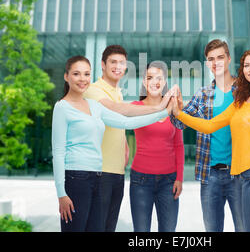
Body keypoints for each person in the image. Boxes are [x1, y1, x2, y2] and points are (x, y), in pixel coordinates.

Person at [51, 55, 172, 232]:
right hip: (75, 179)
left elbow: (126, 122)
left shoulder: (95, 106)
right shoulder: (62, 107)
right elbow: (58, 152)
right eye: (76, 74)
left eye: (86, 74)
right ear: (66, 76)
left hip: (98, 178)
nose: (82, 79)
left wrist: (163, 112)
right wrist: (61, 193)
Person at [172, 47, 250, 232]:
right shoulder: (240, 101)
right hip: (238, 177)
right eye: (247, 65)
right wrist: (178, 113)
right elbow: (210, 126)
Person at [83, 45, 173, 232]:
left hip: (117, 173)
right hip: (99, 172)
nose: (118, 66)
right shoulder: (93, 90)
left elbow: (117, 121)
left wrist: (124, 144)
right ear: (103, 65)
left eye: (122, 63)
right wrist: (160, 108)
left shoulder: (118, 93)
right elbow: (118, 110)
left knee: (109, 227)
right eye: (113, 62)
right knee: (96, 226)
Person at [170, 39, 244, 232]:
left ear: (228, 59)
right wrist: (178, 107)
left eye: (220, 57)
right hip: (210, 175)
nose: (216, 62)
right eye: (211, 59)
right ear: (207, 64)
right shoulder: (203, 93)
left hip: (240, 174)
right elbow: (179, 123)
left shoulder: (244, 92)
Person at [129, 61, 184, 232]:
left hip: (169, 182)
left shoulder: (173, 109)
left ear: (165, 82)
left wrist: (179, 178)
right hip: (141, 181)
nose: (155, 81)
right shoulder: (135, 107)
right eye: (150, 77)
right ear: (145, 83)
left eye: (159, 78)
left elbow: (179, 145)